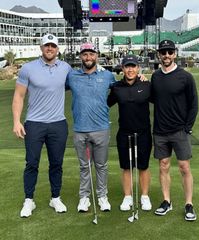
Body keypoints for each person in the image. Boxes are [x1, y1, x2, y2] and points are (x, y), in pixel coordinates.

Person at [12, 34, 72, 217]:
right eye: (47, 45)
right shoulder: (28, 68)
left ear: (58, 49)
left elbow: (82, 78)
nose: (50, 48)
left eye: (53, 46)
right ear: (41, 48)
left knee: (56, 163)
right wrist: (16, 121)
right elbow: (19, 96)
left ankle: (55, 197)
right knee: (31, 163)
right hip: (34, 124)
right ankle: (29, 200)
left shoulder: (66, 68)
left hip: (58, 124)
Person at [151, 39, 199, 221]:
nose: (166, 55)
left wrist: (187, 128)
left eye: (170, 52)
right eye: (163, 52)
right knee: (163, 166)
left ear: (175, 54)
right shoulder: (155, 76)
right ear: (159, 55)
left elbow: (193, 104)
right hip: (160, 131)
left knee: (184, 167)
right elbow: (154, 99)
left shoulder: (185, 77)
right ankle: (166, 201)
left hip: (180, 130)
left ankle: (189, 204)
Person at [66, 42, 115, 212]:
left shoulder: (107, 76)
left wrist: (141, 78)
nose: (88, 57)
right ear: (81, 56)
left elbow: (122, 88)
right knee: (84, 166)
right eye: (85, 54)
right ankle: (84, 197)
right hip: (80, 130)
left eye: (91, 54)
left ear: (97, 56)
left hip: (101, 129)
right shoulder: (71, 76)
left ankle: (102, 196)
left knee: (101, 165)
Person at [107, 55, 153, 211]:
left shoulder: (146, 85)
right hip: (124, 133)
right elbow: (106, 103)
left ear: (138, 68)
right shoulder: (117, 87)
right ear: (122, 68)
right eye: (127, 66)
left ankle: (144, 196)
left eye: (133, 66)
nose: (130, 69)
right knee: (126, 167)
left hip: (143, 133)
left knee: (143, 166)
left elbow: (161, 101)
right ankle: (128, 197)